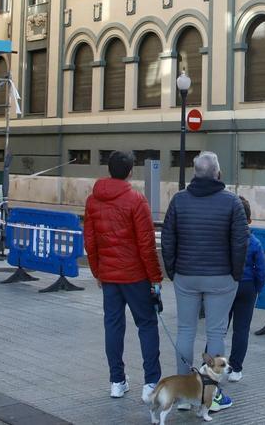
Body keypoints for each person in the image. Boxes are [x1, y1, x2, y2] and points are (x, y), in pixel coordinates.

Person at [161, 151, 248, 413]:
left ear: (195, 173)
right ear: (218, 173)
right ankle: (211, 393)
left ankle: (183, 393)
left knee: (185, 330)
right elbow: (240, 242)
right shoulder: (232, 203)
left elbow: (167, 239)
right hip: (221, 277)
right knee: (216, 332)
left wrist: (173, 269)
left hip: (186, 275)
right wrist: (235, 273)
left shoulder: (179, 200)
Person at [82, 150, 163, 402]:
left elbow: (90, 241)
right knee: (147, 325)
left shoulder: (93, 200)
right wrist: (155, 277)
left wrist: (97, 271)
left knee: (113, 327)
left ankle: (117, 381)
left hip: (109, 276)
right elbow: (146, 244)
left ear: (109, 169)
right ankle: (150, 383)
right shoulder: (136, 200)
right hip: (136, 275)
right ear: (130, 171)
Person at [226, 196, 265, 383]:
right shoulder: (255, 242)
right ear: (250, 221)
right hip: (247, 286)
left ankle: (212, 366)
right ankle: (236, 369)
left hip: (225, 286)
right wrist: (257, 288)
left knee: (218, 328)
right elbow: (262, 269)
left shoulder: (222, 240)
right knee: (241, 329)